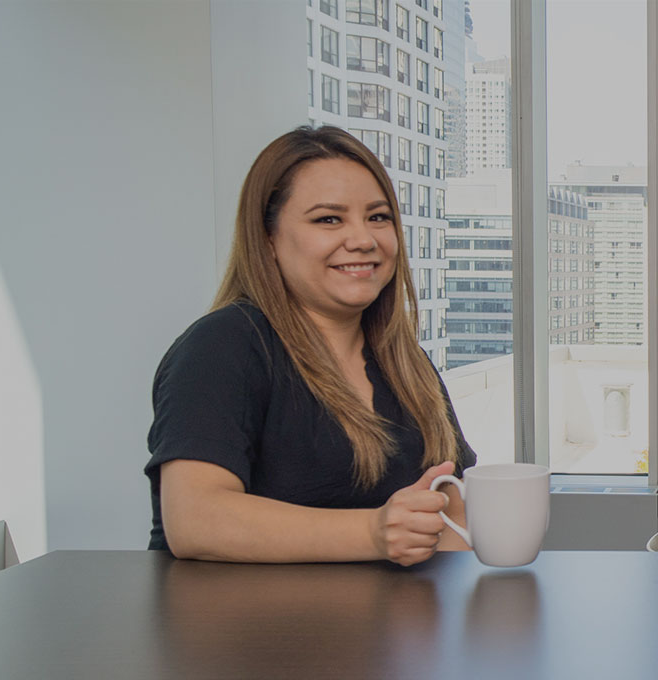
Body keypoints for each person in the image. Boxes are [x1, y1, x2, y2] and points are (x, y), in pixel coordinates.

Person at [145, 126, 476, 565]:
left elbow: (451, 508)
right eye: (328, 219)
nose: (363, 239)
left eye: (378, 217)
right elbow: (195, 519)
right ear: (268, 239)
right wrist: (374, 532)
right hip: (242, 632)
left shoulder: (405, 361)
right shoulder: (223, 346)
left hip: (388, 631)